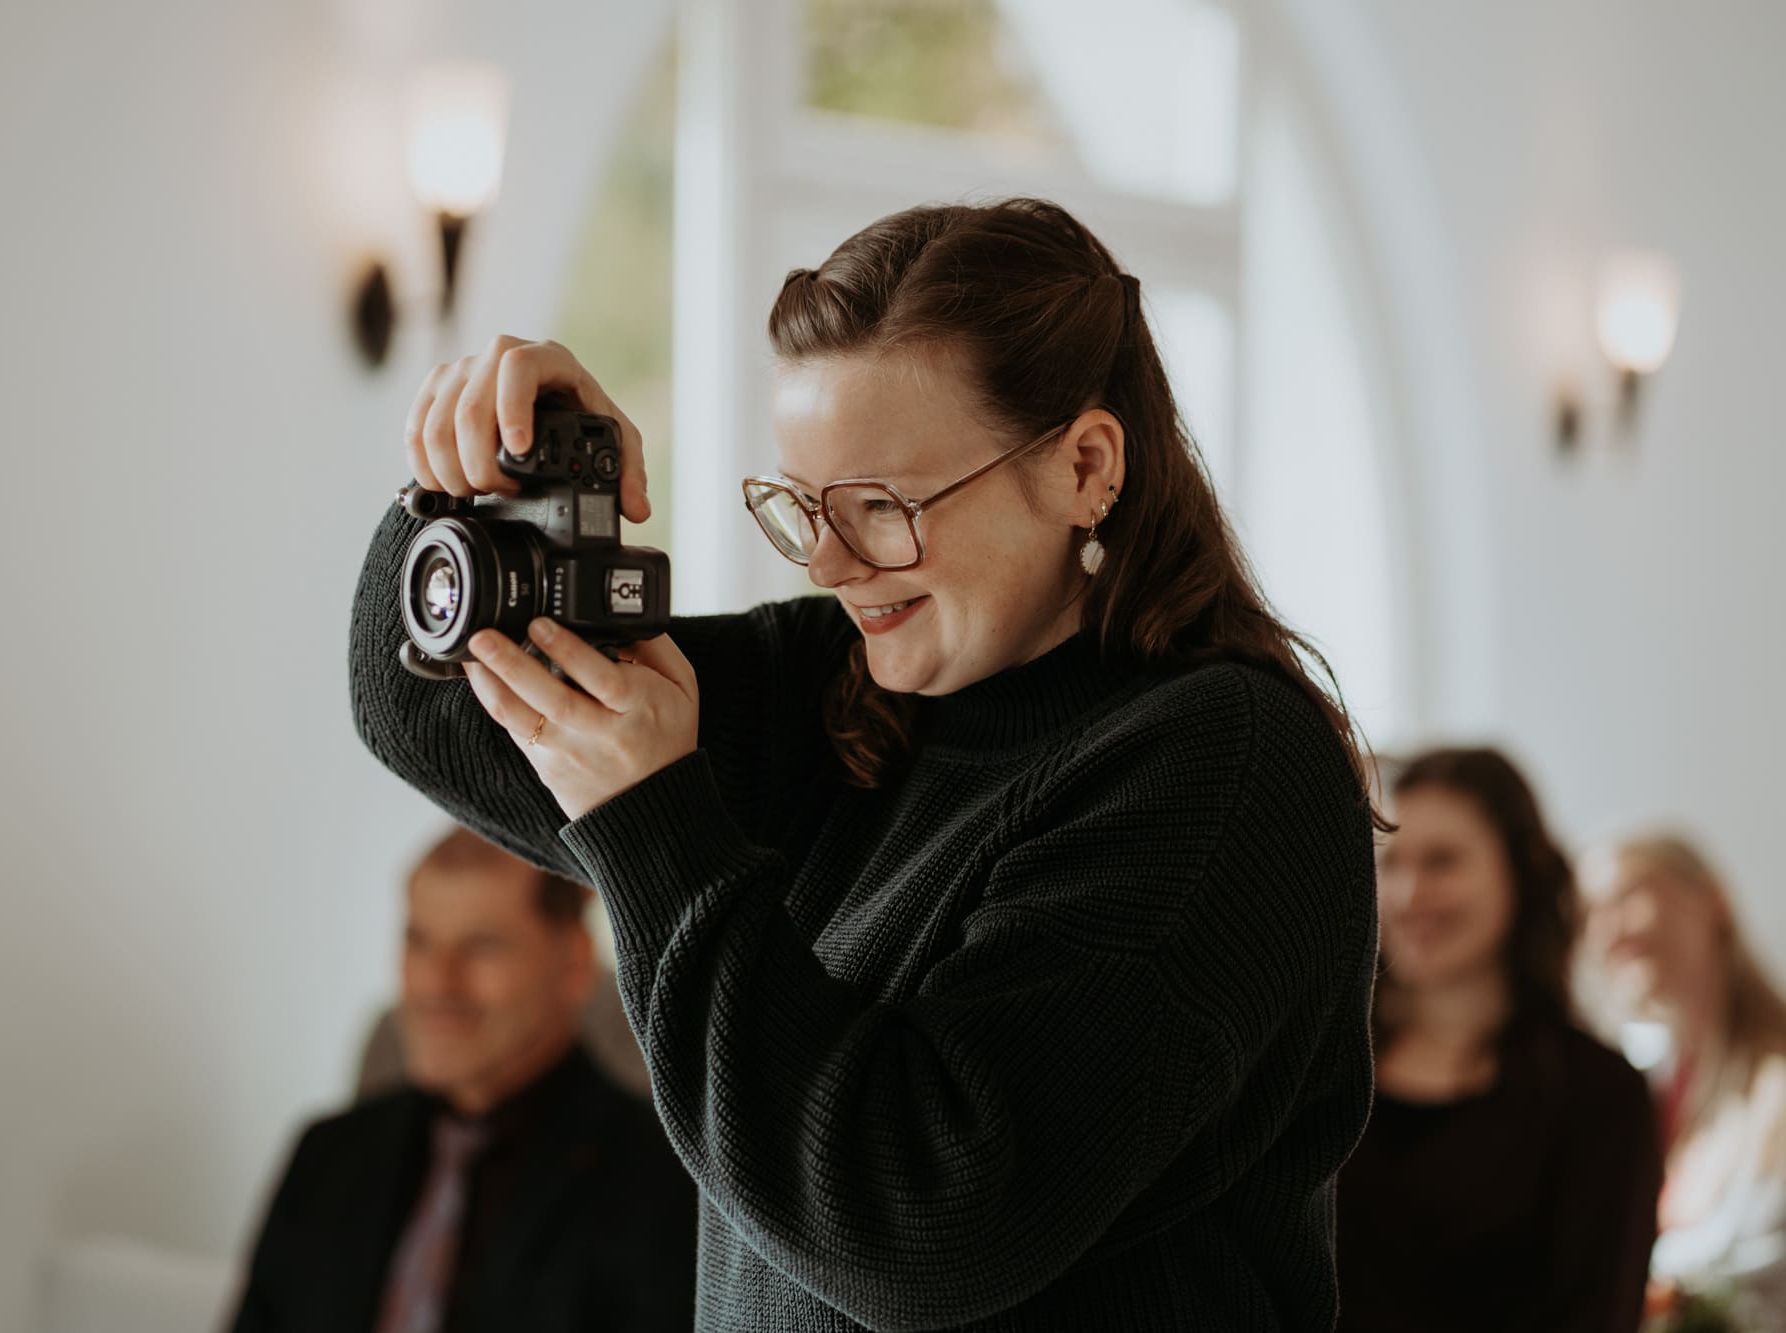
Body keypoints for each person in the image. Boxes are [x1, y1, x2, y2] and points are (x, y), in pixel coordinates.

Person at [351, 198, 1381, 1328]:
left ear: (1084, 465)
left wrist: (653, 818)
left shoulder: (1219, 763)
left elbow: (917, 1214)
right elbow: (425, 712)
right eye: (805, 507)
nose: (833, 565)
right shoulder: (845, 683)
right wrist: (486, 483)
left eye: (883, 507)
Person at [227, 827, 696, 1333]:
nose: (437, 984)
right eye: (419, 941)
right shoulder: (326, 1155)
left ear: (574, 965)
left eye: (481, 947)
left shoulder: (663, 1187)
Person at [1336, 747, 1660, 1332]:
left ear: (1521, 870)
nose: (1410, 894)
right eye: (1391, 863)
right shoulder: (1325, 1074)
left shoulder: (1600, 1095)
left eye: (1442, 862)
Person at [1581, 833, 1786, 1327]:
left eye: (1629, 896)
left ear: (1713, 899)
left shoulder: (1774, 1080)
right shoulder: (1630, 1083)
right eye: (1591, 911)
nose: (1608, 928)